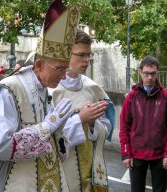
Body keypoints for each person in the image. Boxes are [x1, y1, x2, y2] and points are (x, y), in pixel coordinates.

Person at [0, 0, 80, 191]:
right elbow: (0, 146)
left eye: (67, 69)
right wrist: (46, 128)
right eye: (60, 69)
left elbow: (55, 147)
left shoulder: (44, 89)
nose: (64, 75)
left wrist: (58, 131)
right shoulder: (10, 89)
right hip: (17, 182)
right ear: (39, 65)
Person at [51, 29, 115, 191]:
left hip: (88, 167)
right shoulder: (51, 90)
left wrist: (93, 123)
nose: (87, 60)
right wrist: (79, 119)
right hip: (61, 170)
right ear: (66, 54)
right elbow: (46, 134)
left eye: (89, 55)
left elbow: (106, 127)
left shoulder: (93, 88)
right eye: (81, 55)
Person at [119, 55, 167, 192]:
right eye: (146, 73)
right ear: (140, 72)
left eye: (153, 74)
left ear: (157, 72)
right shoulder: (131, 97)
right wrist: (126, 154)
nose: (150, 77)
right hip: (136, 154)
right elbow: (124, 127)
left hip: (160, 155)